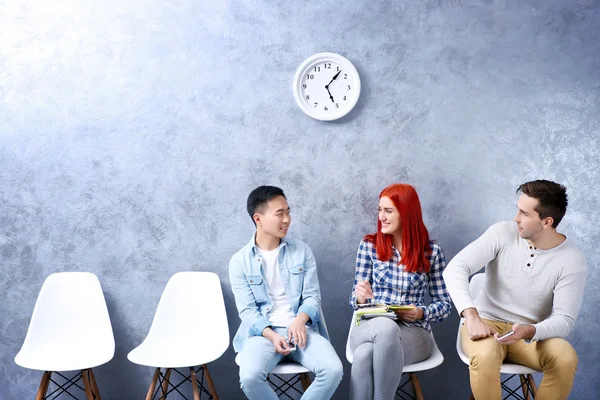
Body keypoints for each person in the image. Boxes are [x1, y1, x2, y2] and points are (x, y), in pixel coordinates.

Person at [443, 179, 588, 400]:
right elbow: (455, 268)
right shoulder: (502, 233)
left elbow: (564, 320)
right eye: (517, 210)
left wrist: (530, 330)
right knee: (485, 355)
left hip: (530, 336)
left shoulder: (571, 260)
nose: (516, 218)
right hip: (486, 324)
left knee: (564, 357)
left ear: (547, 221)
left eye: (525, 214)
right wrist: (471, 316)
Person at [229, 185, 343, 400]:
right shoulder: (239, 261)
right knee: (250, 377)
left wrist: (300, 320)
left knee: (333, 370)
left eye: (288, 212)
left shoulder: (302, 251)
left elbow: (312, 296)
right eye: (279, 214)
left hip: (300, 330)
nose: (287, 219)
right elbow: (247, 311)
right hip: (262, 334)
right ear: (258, 218)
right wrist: (271, 335)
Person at [349, 183, 452, 400]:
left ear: (406, 213)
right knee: (385, 327)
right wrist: (359, 297)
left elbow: (444, 304)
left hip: (414, 333)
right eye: (380, 210)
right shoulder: (369, 246)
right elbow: (354, 301)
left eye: (388, 211)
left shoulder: (432, 253)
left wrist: (421, 312)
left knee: (364, 355)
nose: (381, 217)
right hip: (370, 326)